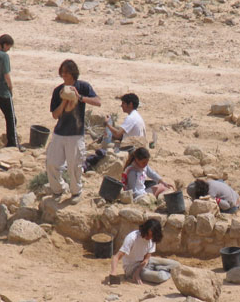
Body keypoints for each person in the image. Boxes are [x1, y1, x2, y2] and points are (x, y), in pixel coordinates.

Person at [46, 59, 101, 204]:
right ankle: (58, 189)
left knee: (74, 165)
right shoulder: (58, 90)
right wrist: (64, 101)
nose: (64, 75)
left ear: (73, 73)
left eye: (67, 72)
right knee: (52, 163)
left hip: (75, 134)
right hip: (59, 133)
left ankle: (76, 192)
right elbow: (55, 115)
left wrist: (80, 97)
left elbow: (98, 102)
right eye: (62, 72)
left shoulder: (83, 86)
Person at [110, 219, 180, 284]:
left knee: (176, 265)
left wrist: (139, 270)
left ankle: (160, 269)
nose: (149, 237)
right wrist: (113, 272)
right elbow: (116, 257)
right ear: (144, 230)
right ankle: (164, 270)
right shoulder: (132, 238)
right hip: (132, 269)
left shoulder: (152, 239)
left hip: (145, 264)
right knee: (159, 277)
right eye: (148, 234)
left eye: (152, 236)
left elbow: (146, 259)